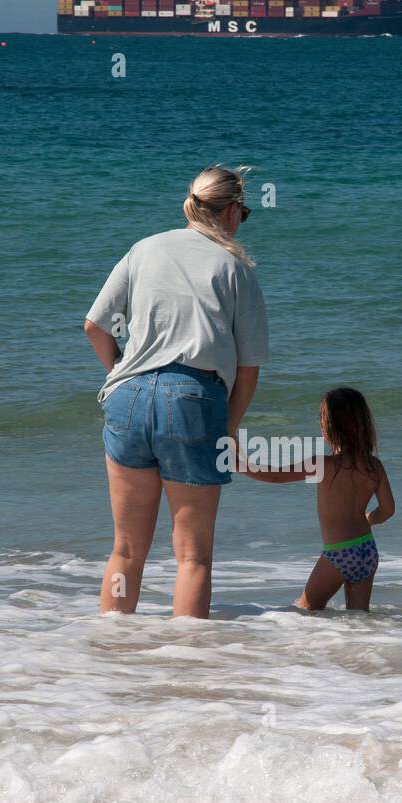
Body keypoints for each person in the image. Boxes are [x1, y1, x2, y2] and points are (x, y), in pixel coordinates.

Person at [84, 165, 269, 619]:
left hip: (127, 394)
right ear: (229, 211)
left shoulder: (145, 249)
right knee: (193, 556)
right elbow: (248, 368)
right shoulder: (235, 267)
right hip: (192, 397)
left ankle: (107, 658)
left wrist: (119, 375)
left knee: (125, 550)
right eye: (243, 212)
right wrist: (227, 427)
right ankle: (187, 671)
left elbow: (95, 327)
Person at [237, 387, 395, 612]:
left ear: (329, 427)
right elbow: (388, 510)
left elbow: (274, 475)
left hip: (339, 553)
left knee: (304, 609)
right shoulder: (374, 466)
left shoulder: (323, 464)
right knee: (359, 618)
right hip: (367, 550)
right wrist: (368, 518)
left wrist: (237, 463)